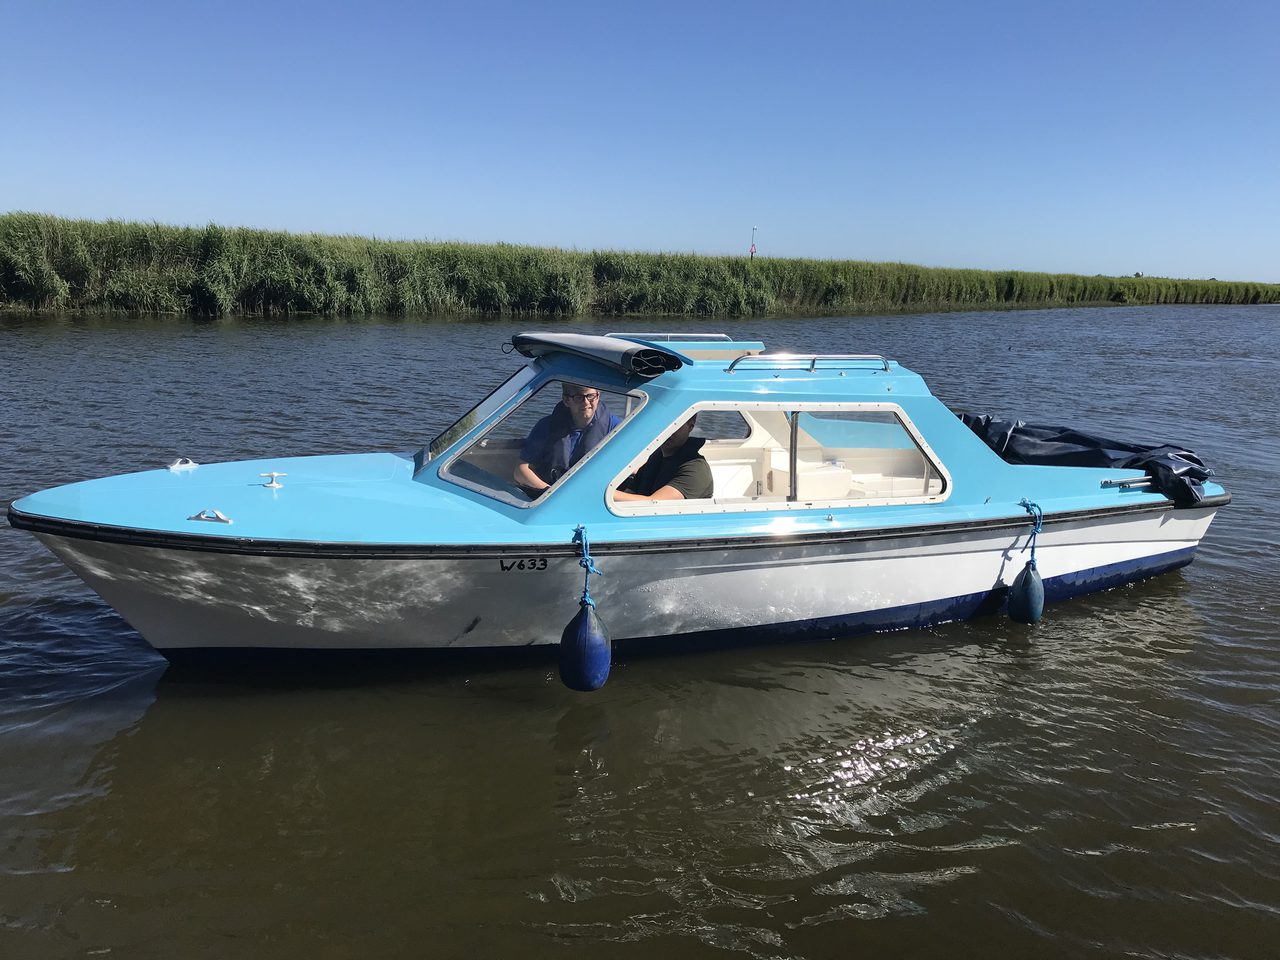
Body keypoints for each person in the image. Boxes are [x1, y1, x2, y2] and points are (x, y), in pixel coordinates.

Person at [514, 383, 622, 496]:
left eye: (590, 396)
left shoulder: (616, 427)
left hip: (593, 495)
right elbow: (520, 471)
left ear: (598, 396)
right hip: (550, 494)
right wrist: (550, 492)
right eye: (578, 397)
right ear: (566, 400)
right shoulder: (546, 426)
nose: (586, 402)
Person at [613, 415, 714, 502]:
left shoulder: (696, 470)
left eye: (675, 425)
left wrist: (606, 495)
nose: (667, 431)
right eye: (663, 423)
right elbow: (631, 492)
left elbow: (653, 504)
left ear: (690, 426)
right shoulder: (655, 458)